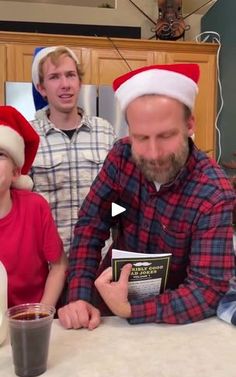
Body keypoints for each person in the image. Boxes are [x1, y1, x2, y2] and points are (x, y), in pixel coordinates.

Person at [58, 63, 236, 330]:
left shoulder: (213, 192)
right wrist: (81, 296)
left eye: (166, 135)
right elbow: (91, 225)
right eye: (141, 137)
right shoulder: (121, 158)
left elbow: (207, 288)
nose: (153, 154)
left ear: (189, 124)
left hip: (176, 317)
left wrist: (131, 308)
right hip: (108, 301)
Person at [30, 46, 117, 255]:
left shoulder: (104, 131)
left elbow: (119, 198)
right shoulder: (28, 137)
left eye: (70, 75)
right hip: (48, 264)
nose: (65, 85)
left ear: (79, 82)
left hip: (98, 259)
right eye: (54, 77)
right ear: (41, 88)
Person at [0, 105, 67, 308]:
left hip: (31, 322)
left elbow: (59, 265)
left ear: (15, 172)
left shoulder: (35, 208)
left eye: (0, 154)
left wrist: (42, 312)